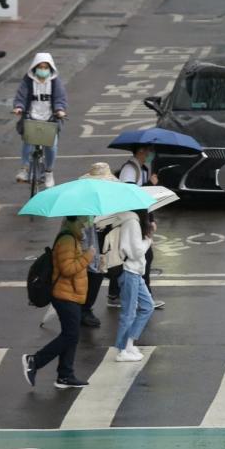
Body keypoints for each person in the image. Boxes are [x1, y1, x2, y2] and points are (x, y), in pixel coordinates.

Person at [21, 216, 93, 389]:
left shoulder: (72, 239)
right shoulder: (67, 240)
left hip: (71, 295)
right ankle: (34, 361)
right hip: (65, 296)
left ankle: (65, 375)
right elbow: (68, 269)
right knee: (71, 335)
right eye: (82, 223)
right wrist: (87, 257)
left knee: (72, 335)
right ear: (73, 222)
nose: (84, 226)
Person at [109, 145, 164, 309]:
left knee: (131, 258)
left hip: (139, 219)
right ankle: (143, 298)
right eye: (149, 150)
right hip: (131, 220)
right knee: (143, 257)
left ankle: (116, 294)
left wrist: (150, 218)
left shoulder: (142, 168)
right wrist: (149, 184)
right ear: (140, 151)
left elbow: (145, 199)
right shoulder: (130, 169)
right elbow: (130, 194)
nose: (150, 154)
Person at [13, 52, 67, 188]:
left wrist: (60, 110)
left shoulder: (55, 82)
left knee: (52, 146)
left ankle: (49, 172)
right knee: (28, 142)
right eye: (40, 67)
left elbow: (60, 98)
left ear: (50, 68)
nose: (42, 70)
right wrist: (19, 107)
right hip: (31, 117)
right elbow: (21, 96)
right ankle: (25, 169)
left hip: (50, 119)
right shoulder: (28, 81)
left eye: (45, 67)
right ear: (34, 67)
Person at [77, 162, 120, 328]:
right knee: (91, 276)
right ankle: (84, 309)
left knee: (96, 275)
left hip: (97, 243)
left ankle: (86, 308)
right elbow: (82, 228)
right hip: (86, 244)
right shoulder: (84, 201)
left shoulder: (102, 198)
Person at [113, 209, 155, 362]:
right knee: (129, 313)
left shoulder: (132, 221)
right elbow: (136, 252)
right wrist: (148, 240)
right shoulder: (132, 223)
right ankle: (122, 349)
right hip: (130, 272)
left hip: (135, 272)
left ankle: (129, 343)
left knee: (147, 306)